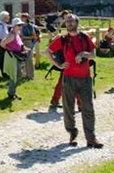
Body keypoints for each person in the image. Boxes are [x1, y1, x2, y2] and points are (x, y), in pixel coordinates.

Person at [47, 14, 103, 148]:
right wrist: (59, 65)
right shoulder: (62, 39)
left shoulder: (84, 37)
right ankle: (72, 133)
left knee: (88, 107)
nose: (69, 23)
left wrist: (83, 54)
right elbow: (48, 51)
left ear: (77, 22)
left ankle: (91, 138)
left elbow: (93, 55)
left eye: (71, 21)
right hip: (69, 78)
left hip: (85, 78)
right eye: (67, 21)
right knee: (68, 108)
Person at [1, 17, 29, 99]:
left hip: (17, 56)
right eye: (18, 25)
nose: (20, 27)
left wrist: (25, 48)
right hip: (12, 57)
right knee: (15, 75)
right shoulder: (12, 35)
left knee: (18, 75)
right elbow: (2, 44)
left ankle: (12, 92)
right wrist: (9, 50)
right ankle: (11, 94)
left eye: (21, 25)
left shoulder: (16, 34)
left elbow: (19, 45)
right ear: (14, 26)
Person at [20, 12, 39, 80]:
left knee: (29, 60)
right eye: (22, 17)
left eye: (24, 17)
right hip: (22, 43)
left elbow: (34, 36)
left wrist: (24, 37)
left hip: (29, 43)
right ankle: (24, 75)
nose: (22, 18)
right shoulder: (21, 26)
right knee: (23, 60)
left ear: (27, 18)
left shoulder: (30, 26)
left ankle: (31, 76)